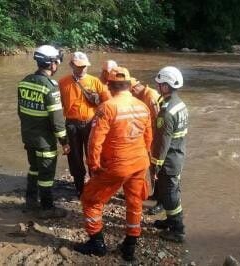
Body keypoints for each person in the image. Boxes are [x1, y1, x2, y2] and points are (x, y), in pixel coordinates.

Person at [74, 67, 152, 262]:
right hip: (140, 162)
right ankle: (130, 246)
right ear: (128, 85)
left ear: (108, 85)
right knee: (134, 202)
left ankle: (97, 243)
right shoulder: (143, 106)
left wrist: (93, 165)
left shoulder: (107, 107)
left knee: (91, 200)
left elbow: (95, 141)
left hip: (117, 164)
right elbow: (149, 138)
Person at [17, 45, 70, 219]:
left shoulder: (24, 81)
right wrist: (64, 141)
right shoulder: (50, 87)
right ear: (51, 63)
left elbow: (21, 112)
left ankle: (31, 201)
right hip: (45, 141)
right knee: (46, 174)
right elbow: (57, 120)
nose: (57, 65)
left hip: (28, 137)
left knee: (33, 168)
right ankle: (47, 208)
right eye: (56, 62)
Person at [58, 52, 110, 197]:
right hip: (71, 125)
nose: (82, 69)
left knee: (93, 155)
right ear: (71, 65)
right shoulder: (63, 82)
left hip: (90, 124)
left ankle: (94, 186)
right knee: (74, 157)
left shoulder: (95, 82)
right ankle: (79, 188)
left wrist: (101, 110)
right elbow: (58, 105)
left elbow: (109, 102)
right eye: (79, 66)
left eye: (85, 66)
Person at [150, 66, 188, 242]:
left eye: (159, 84)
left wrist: (156, 164)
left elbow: (162, 142)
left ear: (166, 86)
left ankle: (178, 229)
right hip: (178, 155)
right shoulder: (179, 104)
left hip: (169, 160)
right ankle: (171, 221)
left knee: (170, 194)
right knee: (171, 191)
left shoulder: (166, 112)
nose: (157, 87)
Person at [130, 77, 163, 215]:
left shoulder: (150, 97)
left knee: (159, 171)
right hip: (149, 139)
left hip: (157, 140)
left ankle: (161, 202)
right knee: (152, 169)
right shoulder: (142, 96)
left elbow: (160, 121)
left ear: (134, 89)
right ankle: (155, 195)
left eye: (131, 93)